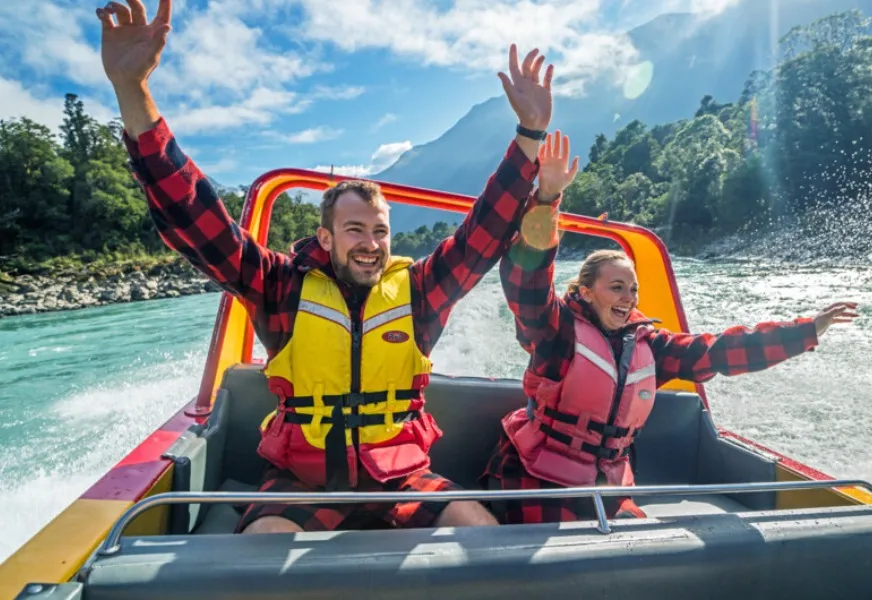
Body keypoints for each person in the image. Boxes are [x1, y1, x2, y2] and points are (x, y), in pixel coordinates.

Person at [96, 0, 558, 533]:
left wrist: (529, 136)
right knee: (266, 545)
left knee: (482, 532)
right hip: (303, 481)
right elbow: (196, 219)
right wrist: (134, 91)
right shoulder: (278, 286)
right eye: (355, 229)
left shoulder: (419, 291)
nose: (370, 243)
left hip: (400, 477)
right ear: (325, 236)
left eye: (379, 231)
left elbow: (484, 234)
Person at [480, 131, 861, 524]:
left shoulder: (651, 347)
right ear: (586, 291)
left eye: (633, 289)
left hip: (606, 484)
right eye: (616, 288)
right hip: (535, 474)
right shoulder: (555, 331)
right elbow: (526, 282)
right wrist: (546, 200)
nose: (628, 298)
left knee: (636, 550)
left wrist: (806, 331)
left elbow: (721, 351)